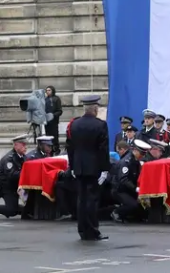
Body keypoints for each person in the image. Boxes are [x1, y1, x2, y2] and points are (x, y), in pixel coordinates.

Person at [66, 94, 110, 241]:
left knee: (81, 199)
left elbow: (69, 147)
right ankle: (92, 230)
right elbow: (103, 149)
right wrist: (105, 169)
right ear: (95, 108)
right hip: (93, 167)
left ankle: (82, 230)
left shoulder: (74, 124)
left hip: (78, 166)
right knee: (92, 199)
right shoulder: (100, 125)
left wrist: (72, 166)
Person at [0, 134, 28, 218]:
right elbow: (12, 175)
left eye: (26, 144)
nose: (25, 147)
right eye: (23, 144)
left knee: (16, 209)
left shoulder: (23, 157)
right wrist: (26, 174)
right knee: (11, 210)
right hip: (5, 187)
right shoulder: (9, 158)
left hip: (14, 187)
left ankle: (25, 210)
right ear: (16, 145)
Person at [45, 85, 63, 155]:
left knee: (55, 136)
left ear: (52, 91)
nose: (48, 92)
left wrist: (53, 115)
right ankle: (49, 150)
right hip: (47, 122)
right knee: (48, 136)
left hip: (54, 122)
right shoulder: (45, 99)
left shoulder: (56, 99)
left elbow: (60, 111)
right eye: (47, 90)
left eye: (49, 90)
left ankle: (56, 149)